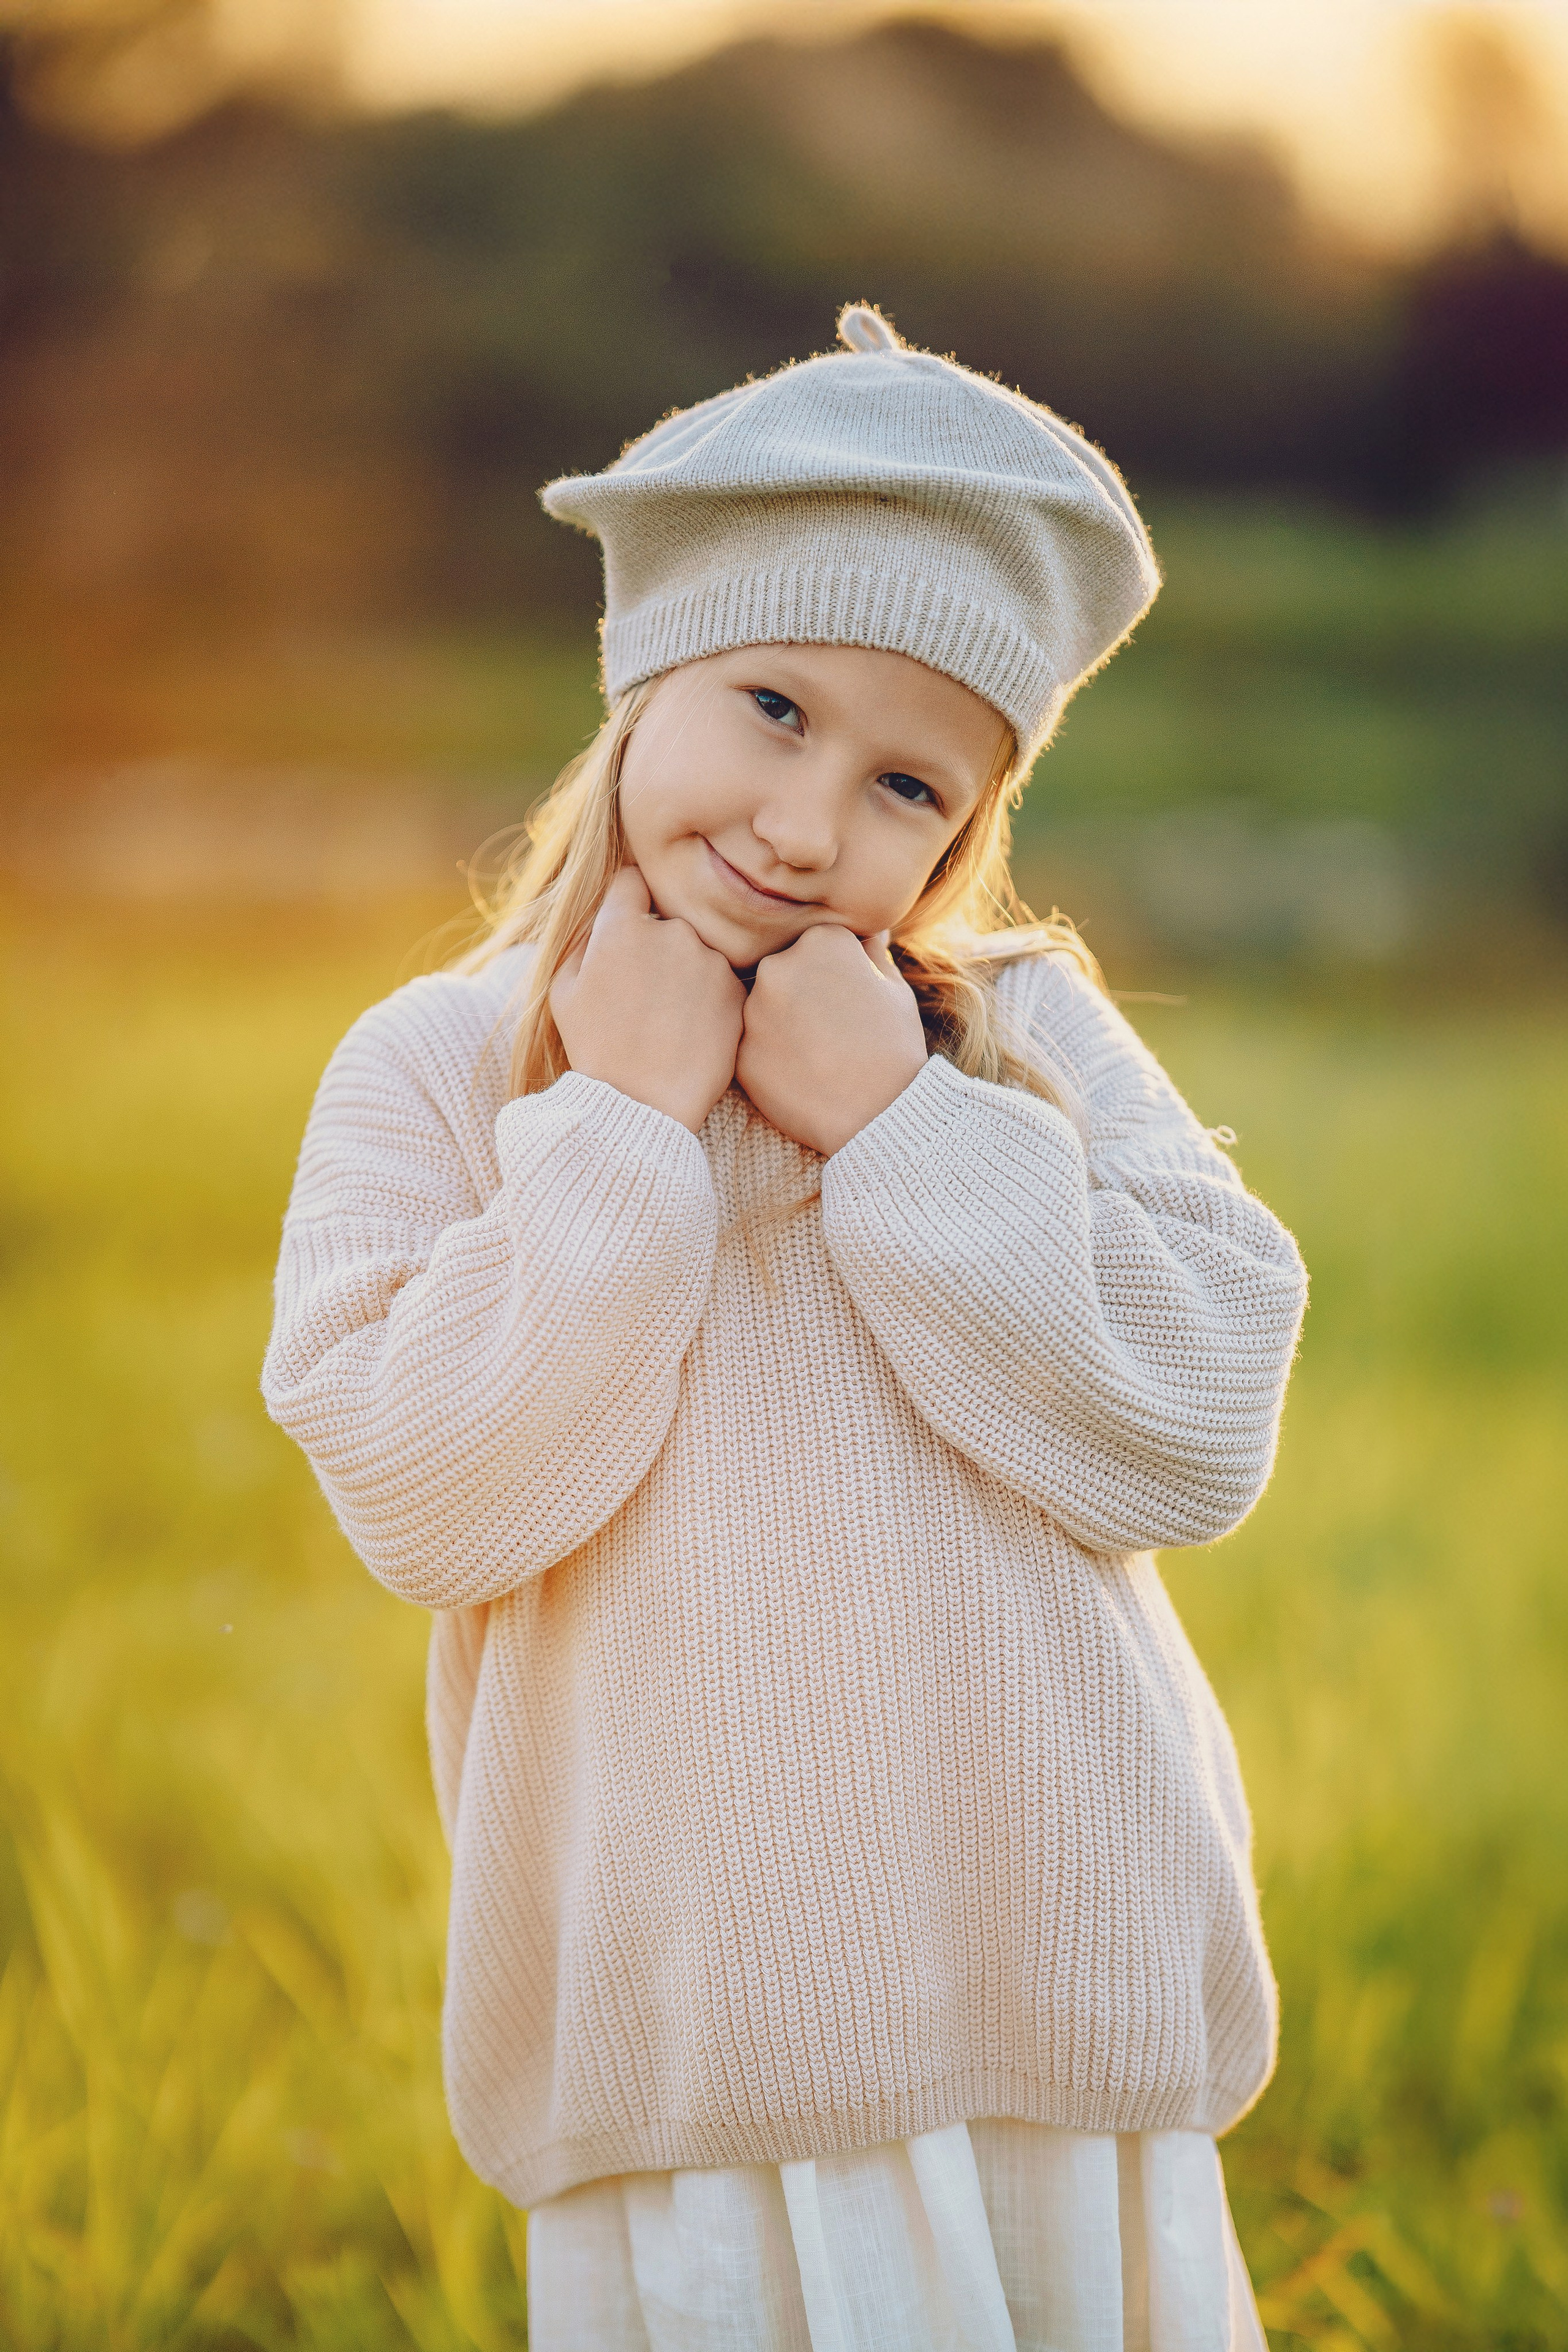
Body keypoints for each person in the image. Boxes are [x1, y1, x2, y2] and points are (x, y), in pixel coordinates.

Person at [263, 304, 1308, 2351]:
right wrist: (623, 1141)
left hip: (1046, 2013)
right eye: (770, 704)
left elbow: (1191, 1426)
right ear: (645, 673)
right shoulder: (441, 1070)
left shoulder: (1013, 1035)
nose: (812, 822)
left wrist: (906, 1129)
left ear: (969, 826)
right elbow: (430, 1499)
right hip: (703, 2038)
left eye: (906, 780)